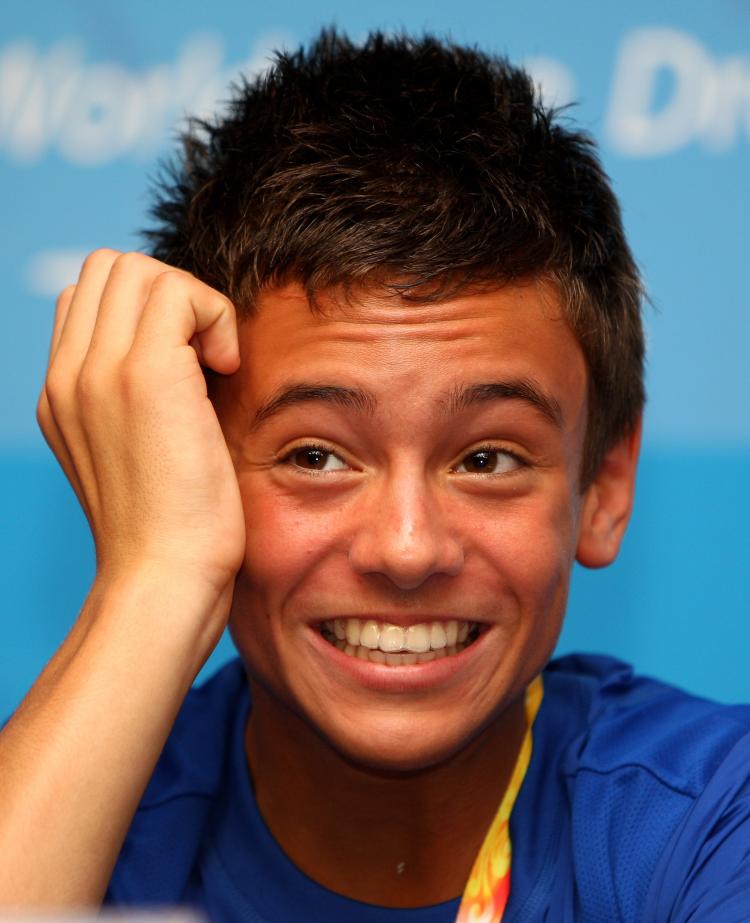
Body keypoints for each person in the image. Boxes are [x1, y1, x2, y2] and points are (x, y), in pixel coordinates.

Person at [2, 28, 750, 922]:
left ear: (605, 483)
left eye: (487, 458)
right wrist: (153, 581)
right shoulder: (87, 824)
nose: (405, 548)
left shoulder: (710, 817)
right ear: (187, 461)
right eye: (315, 456)